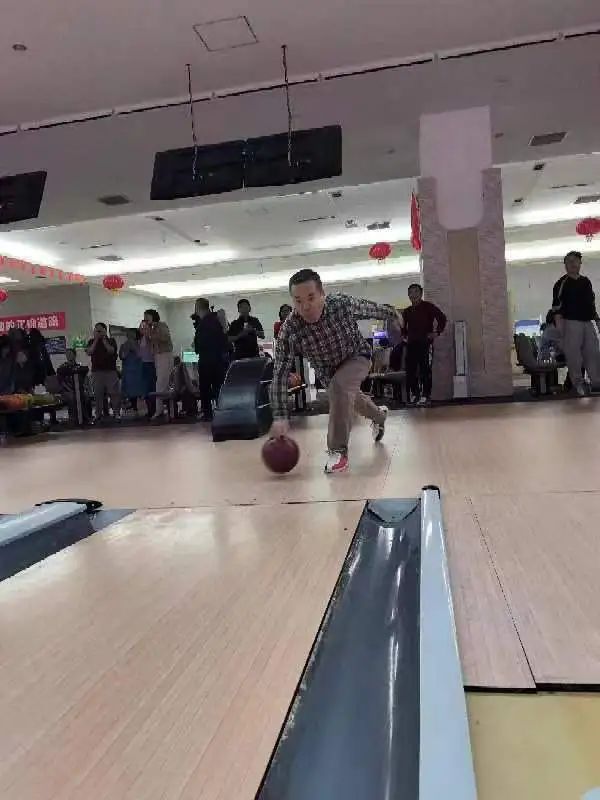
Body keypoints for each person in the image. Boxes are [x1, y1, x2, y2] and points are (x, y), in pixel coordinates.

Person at [270, 268, 402, 474]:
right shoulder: (290, 330)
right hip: (328, 372)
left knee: (340, 388)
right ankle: (379, 416)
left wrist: (393, 314)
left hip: (357, 356)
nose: (305, 306)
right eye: (298, 301)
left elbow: (370, 308)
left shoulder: (340, 304)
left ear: (322, 294)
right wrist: (280, 416)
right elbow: (279, 374)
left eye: (311, 297)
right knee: (350, 396)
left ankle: (337, 451)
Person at [552, 250, 600, 396]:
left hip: (588, 322)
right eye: (569, 261)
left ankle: (596, 382)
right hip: (571, 323)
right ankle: (578, 383)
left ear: (580, 263)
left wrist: (597, 321)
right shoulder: (561, 283)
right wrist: (560, 329)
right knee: (574, 357)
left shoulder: (586, 282)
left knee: (593, 353)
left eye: (575, 261)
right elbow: (557, 307)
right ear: (565, 265)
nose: (572, 264)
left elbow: (591, 304)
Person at [402, 283, 447, 406]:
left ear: (421, 293)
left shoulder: (428, 307)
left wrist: (437, 332)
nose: (413, 295)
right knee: (410, 370)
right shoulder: (407, 311)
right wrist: (404, 336)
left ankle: (426, 396)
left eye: (416, 292)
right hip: (411, 344)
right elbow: (403, 327)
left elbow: (442, 318)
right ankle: (415, 395)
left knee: (425, 370)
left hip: (425, 344)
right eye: (411, 292)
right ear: (408, 295)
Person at [192, 298, 230, 420]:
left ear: (197, 307)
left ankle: (207, 413)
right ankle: (222, 411)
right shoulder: (217, 320)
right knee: (218, 387)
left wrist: (196, 346)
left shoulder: (204, 324)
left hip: (207, 360)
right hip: (219, 360)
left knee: (205, 388)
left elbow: (200, 344)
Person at [141, 309, 174, 420]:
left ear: (153, 316)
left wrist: (151, 332)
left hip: (164, 355)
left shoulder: (161, 325)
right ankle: (164, 410)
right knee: (161, 383)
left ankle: (160, 410)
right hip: (157, 356)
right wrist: (147, 332)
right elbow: (148, 344)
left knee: (162, 383)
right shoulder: (151, 328)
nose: (145, 319)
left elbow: (165, 337)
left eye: (147, 316)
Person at [86, 323, 121, 422]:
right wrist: (96, 340)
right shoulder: (91, 341)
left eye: (100, 330)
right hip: (97, 372)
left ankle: (116, 413)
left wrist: (104, 339)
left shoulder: (111, 341)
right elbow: (89, 352)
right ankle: (98, 414)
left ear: (105, 330)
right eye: (96, 330)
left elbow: (111, 351)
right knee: (98, 394)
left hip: (110, 371)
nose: (98, 332)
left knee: (114, 393)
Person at [119, 329, 145, 417]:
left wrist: (133, 346)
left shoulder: (140, 344)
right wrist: (127, 348)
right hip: (128, 371)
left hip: (137, 370)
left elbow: (140, 355)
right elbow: (122, 356)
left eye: (132, 334)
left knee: (137, 390)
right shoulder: (124, 345)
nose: (130, 335)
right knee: (129, 390)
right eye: (128, 333)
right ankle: (133, 407)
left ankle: (136, 408)